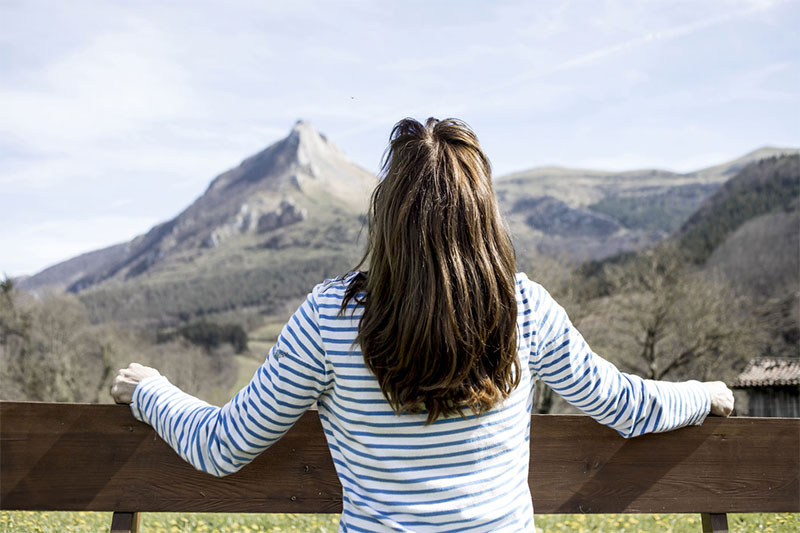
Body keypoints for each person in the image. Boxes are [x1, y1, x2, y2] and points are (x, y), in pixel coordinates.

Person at [111, 117, 734, 532]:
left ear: (388, 219)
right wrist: (703, 393)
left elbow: (223, 445)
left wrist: (151, 393)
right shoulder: (524, 310)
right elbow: (624, 404)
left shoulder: (328, 320)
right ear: (484, 218)